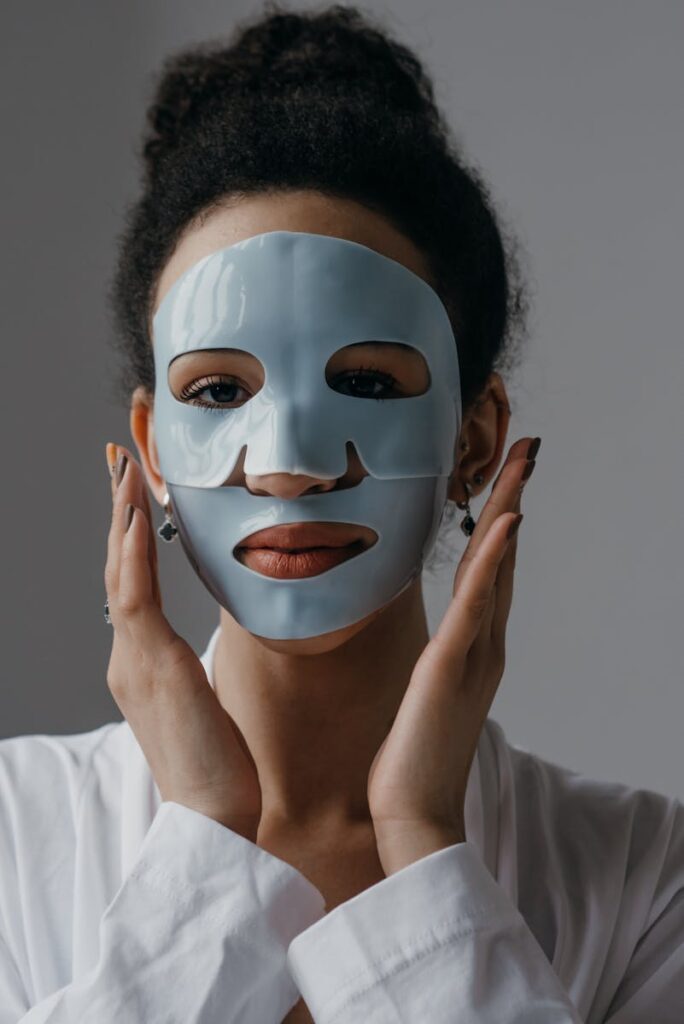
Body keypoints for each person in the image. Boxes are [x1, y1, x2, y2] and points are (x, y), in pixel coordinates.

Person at [1, 4, 682, 1022]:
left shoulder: (642, 880)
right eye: (220, 392)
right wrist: (204, 837)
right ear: (149, 445)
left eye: (365, 381)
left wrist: (422, 845)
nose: (288, 468)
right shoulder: (13, 834)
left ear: (476, 436)